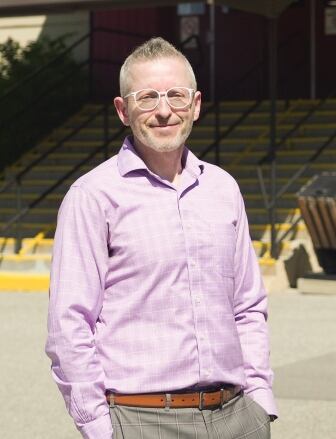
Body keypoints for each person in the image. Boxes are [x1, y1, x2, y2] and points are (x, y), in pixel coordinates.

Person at [45, 37, 276, 439]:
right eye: (147, 97)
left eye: (176, 95)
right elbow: (69, 325)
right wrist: (100, 428)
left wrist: (259, 398)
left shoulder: (222, 189)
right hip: (141, 420)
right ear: (123, 110)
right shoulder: (92, 196)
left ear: (196, 105)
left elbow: (248, 306)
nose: (165, 110)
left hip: (237, 416)